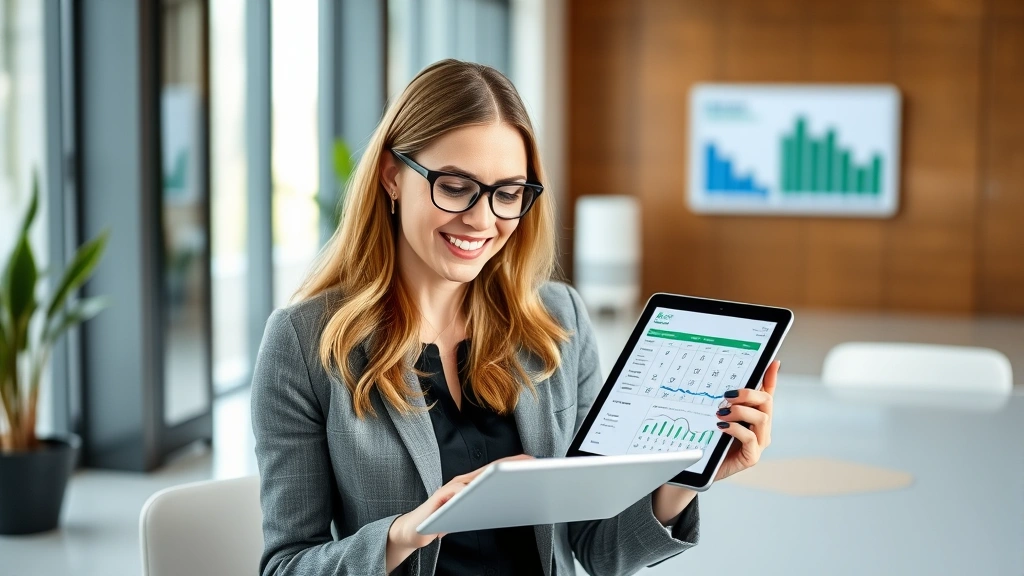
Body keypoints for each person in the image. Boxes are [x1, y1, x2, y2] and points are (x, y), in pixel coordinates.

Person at [251, 59, 780, 576]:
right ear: (392, 175)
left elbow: (597, 549)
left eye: (507, 194)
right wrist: (405, 533)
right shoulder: (305, 344)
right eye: (454, 186)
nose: (482, 220)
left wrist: (684, 479)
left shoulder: (557, 322)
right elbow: (287, 564)